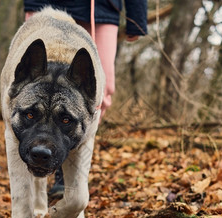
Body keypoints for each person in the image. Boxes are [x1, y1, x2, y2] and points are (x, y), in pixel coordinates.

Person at [24, 1, 148, 196]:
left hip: (102, 9)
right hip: (47, 5)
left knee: (102, 89)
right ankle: (39, 168)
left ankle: (66, 170)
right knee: (34, 84)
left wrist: (137, 16)